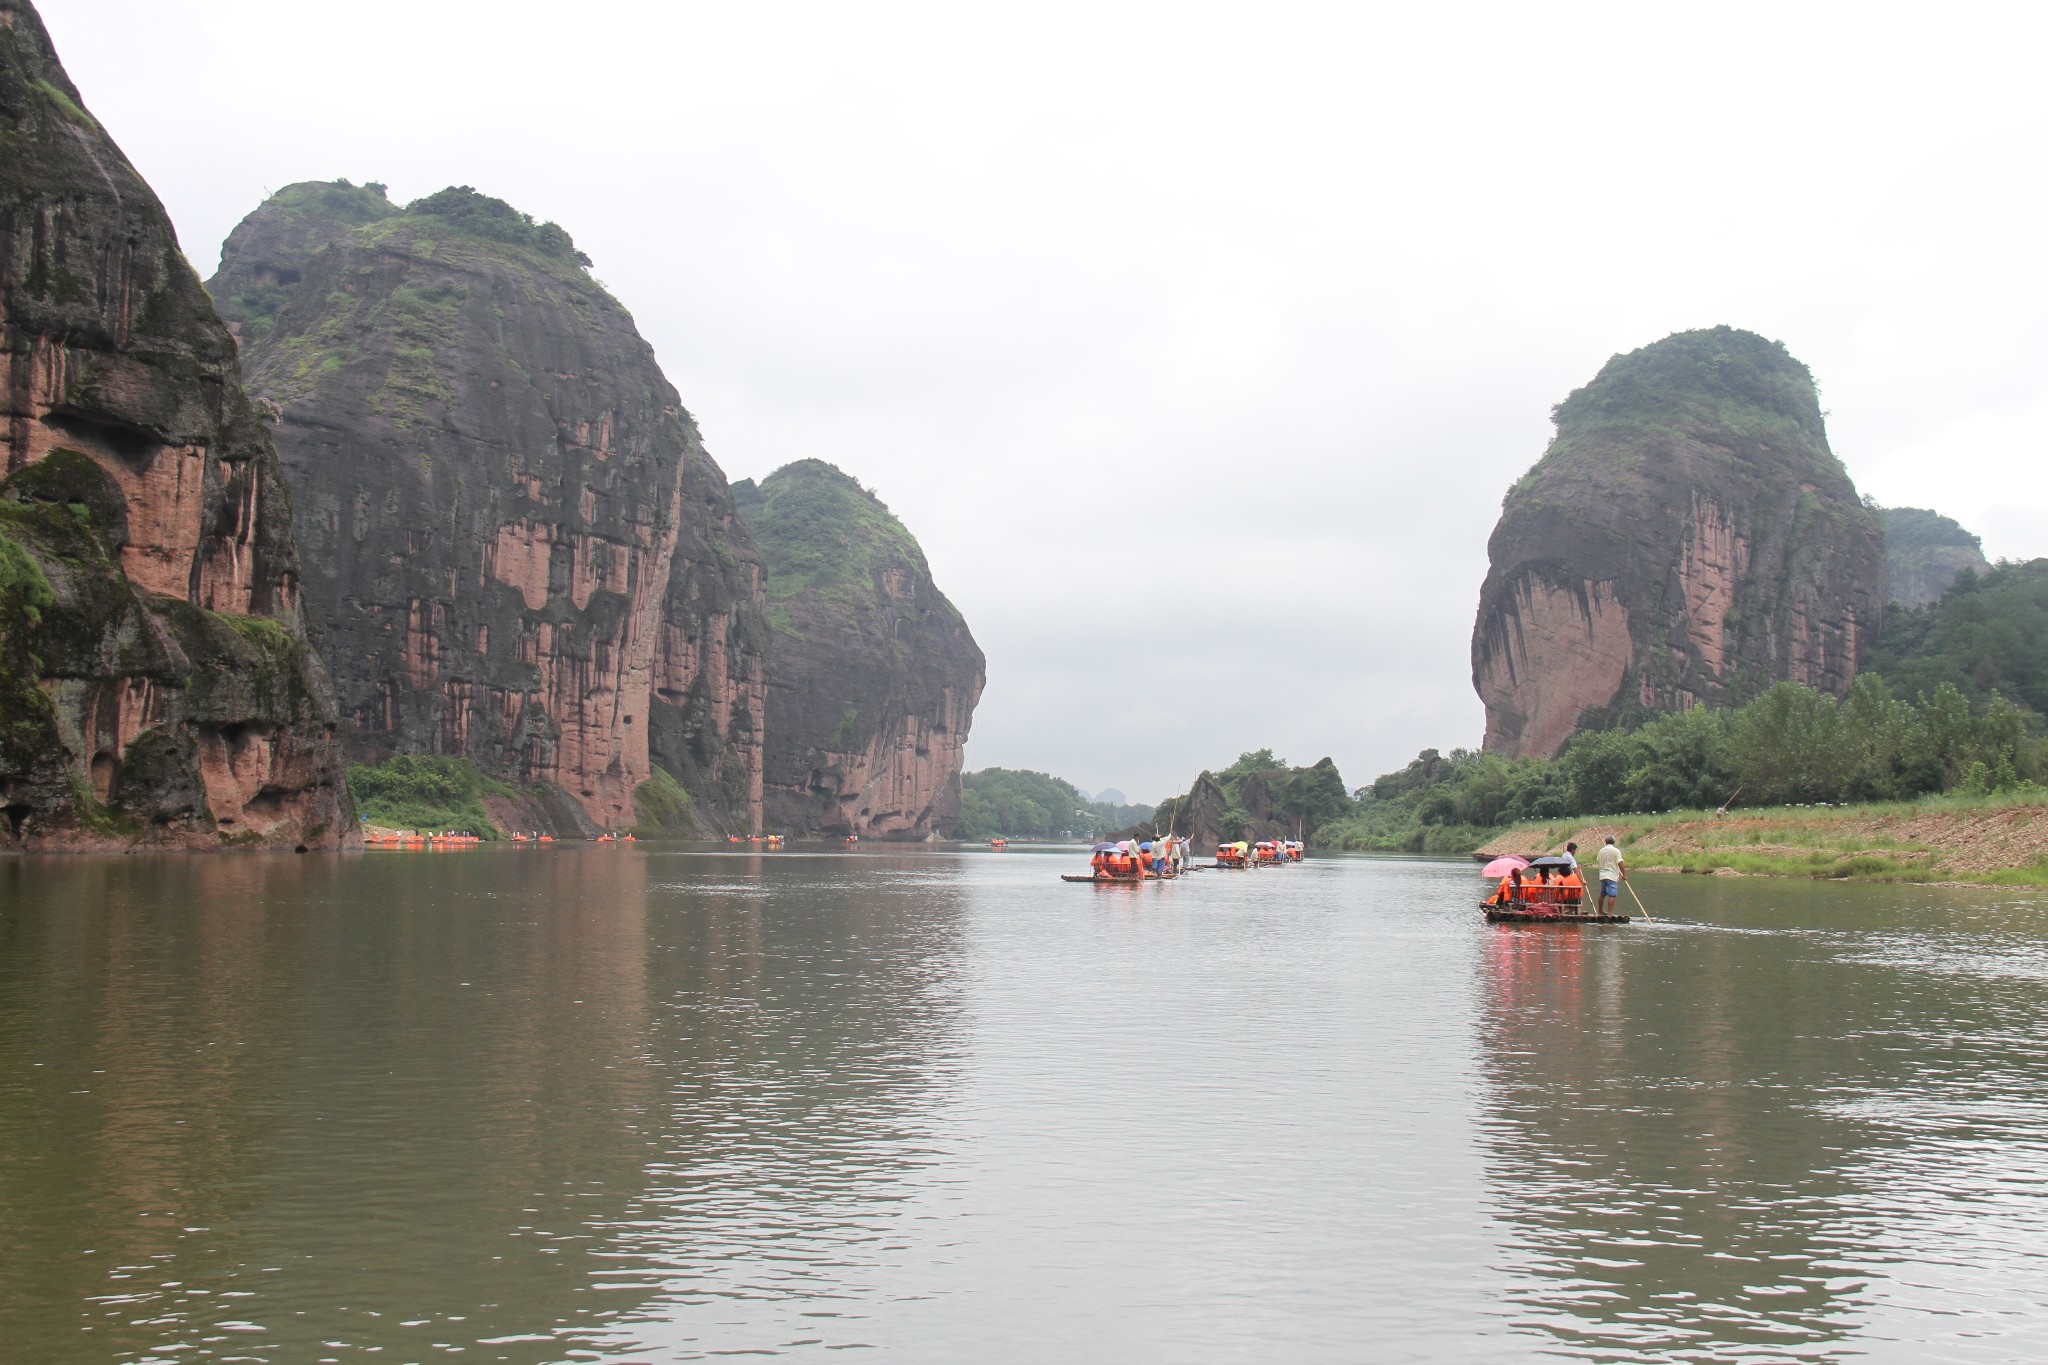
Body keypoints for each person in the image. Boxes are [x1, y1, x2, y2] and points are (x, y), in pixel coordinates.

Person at [1596, 837, 1625, 914]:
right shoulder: (1616, 851)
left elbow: (1598, 860)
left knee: (1602, 894)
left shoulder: (1601, 851)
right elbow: (1620, 864)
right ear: (1614, 842)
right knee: (1612, 895)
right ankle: (1609, 913)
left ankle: (1599, 911)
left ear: (1605, 842)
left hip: (1602, 876)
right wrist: (1624, 875)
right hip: (1612, 876)